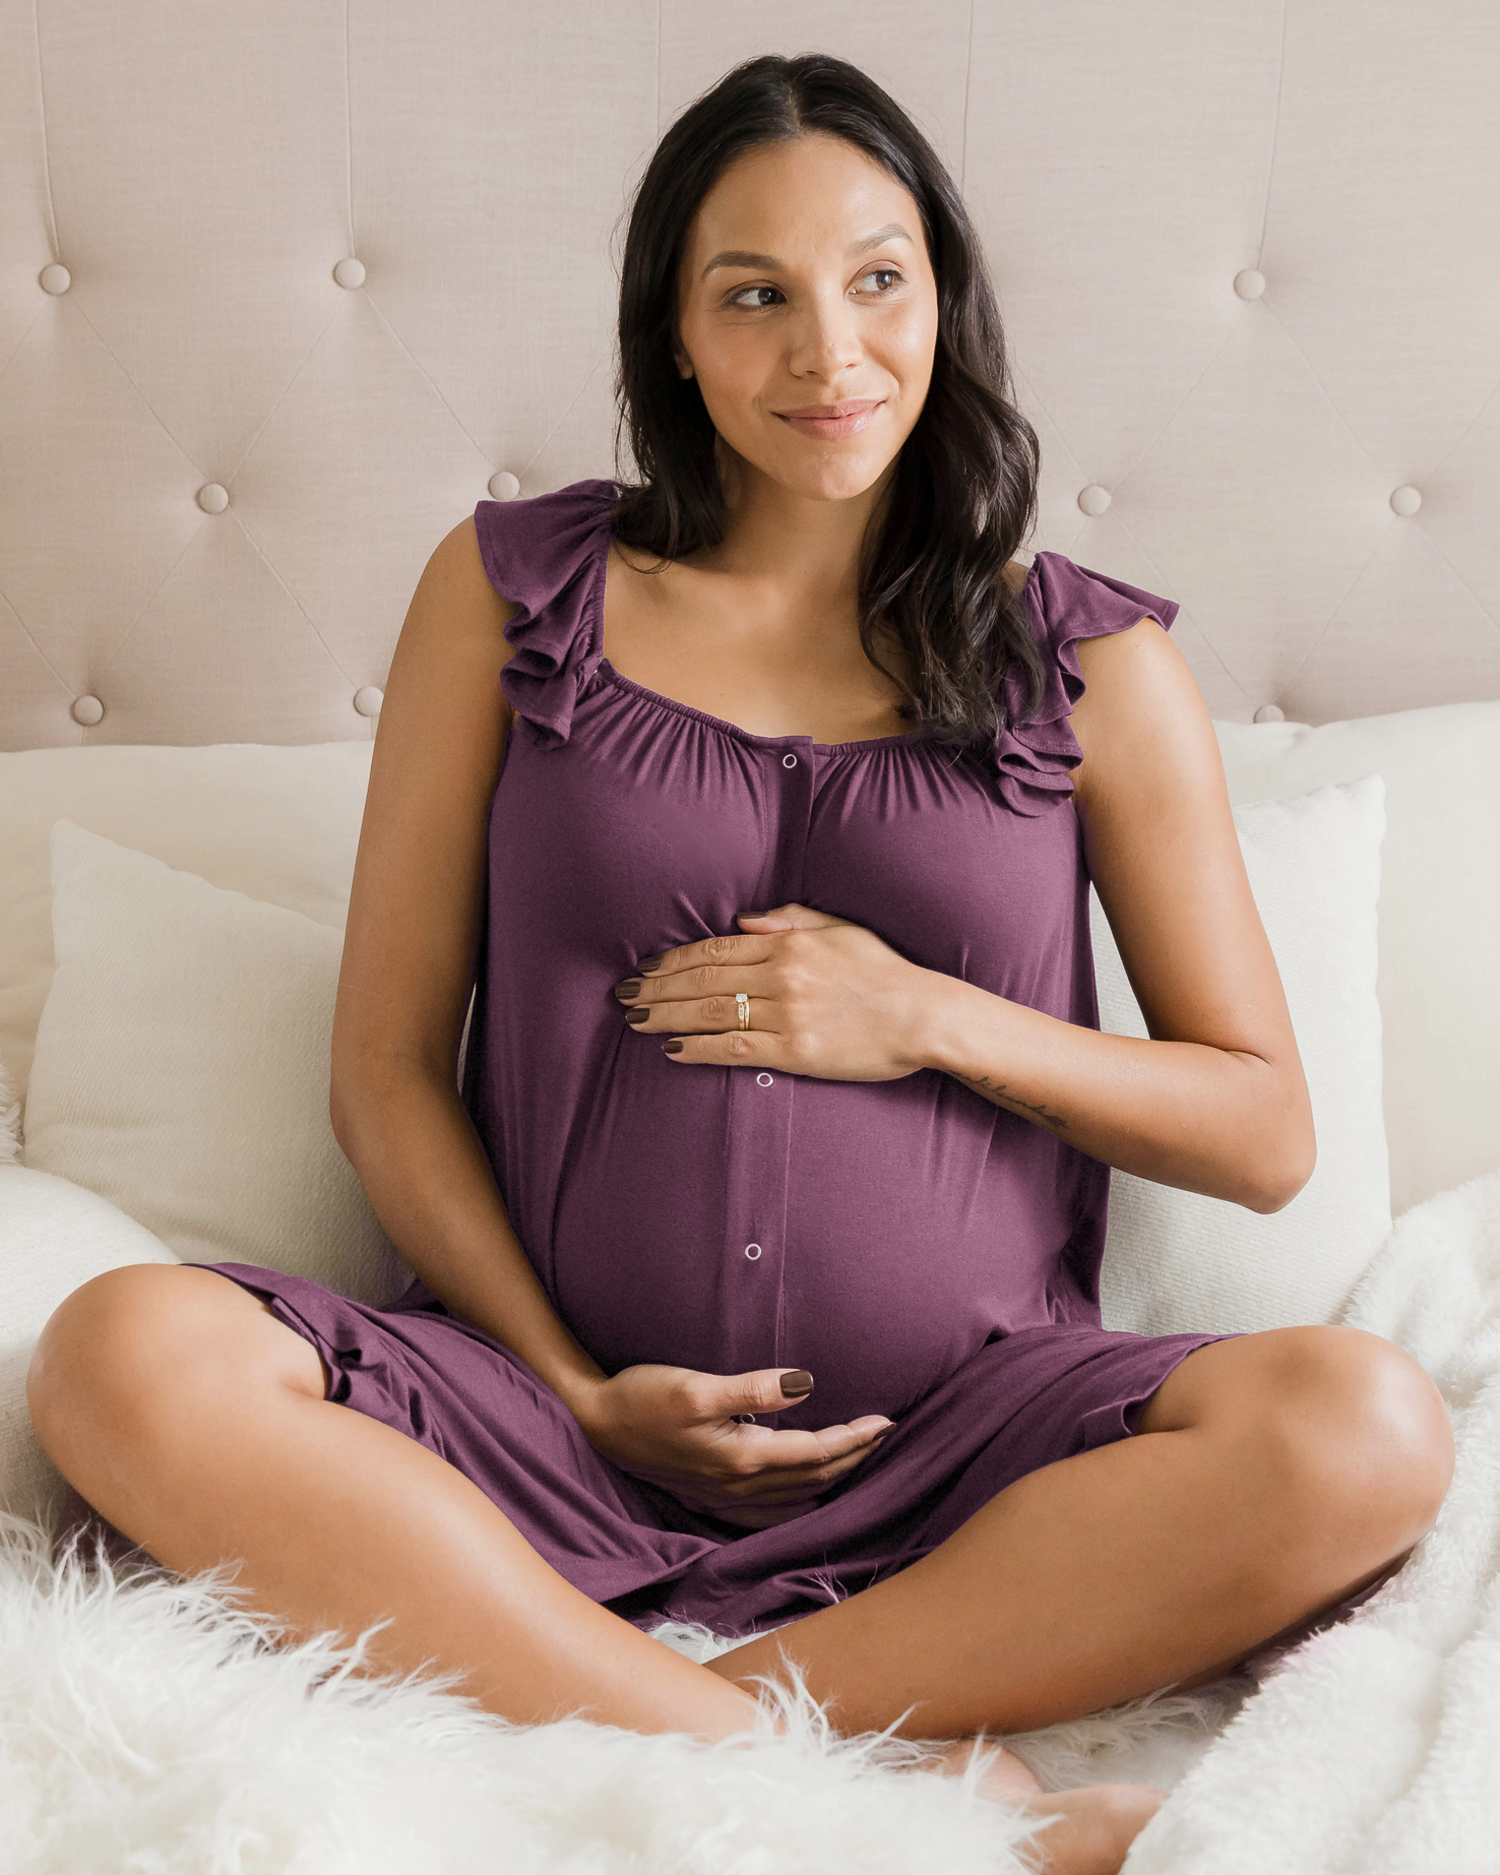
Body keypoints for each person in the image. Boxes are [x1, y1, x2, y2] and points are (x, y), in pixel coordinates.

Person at [27, 52, 1453, 1875]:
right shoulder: (507, 596)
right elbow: (384, 1064)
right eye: (754, 295)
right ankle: (844, 1764)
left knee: (1366, 1427)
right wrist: (564, 1379)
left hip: (963, 1457)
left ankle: (640, 1699)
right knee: (118, 1352)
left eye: (876, 280)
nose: (827, 352)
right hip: (531, 1421)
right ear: (675, 337)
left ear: (946, 298)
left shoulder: (1086, 668)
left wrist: (924, 1013)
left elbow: (1261, 1130)